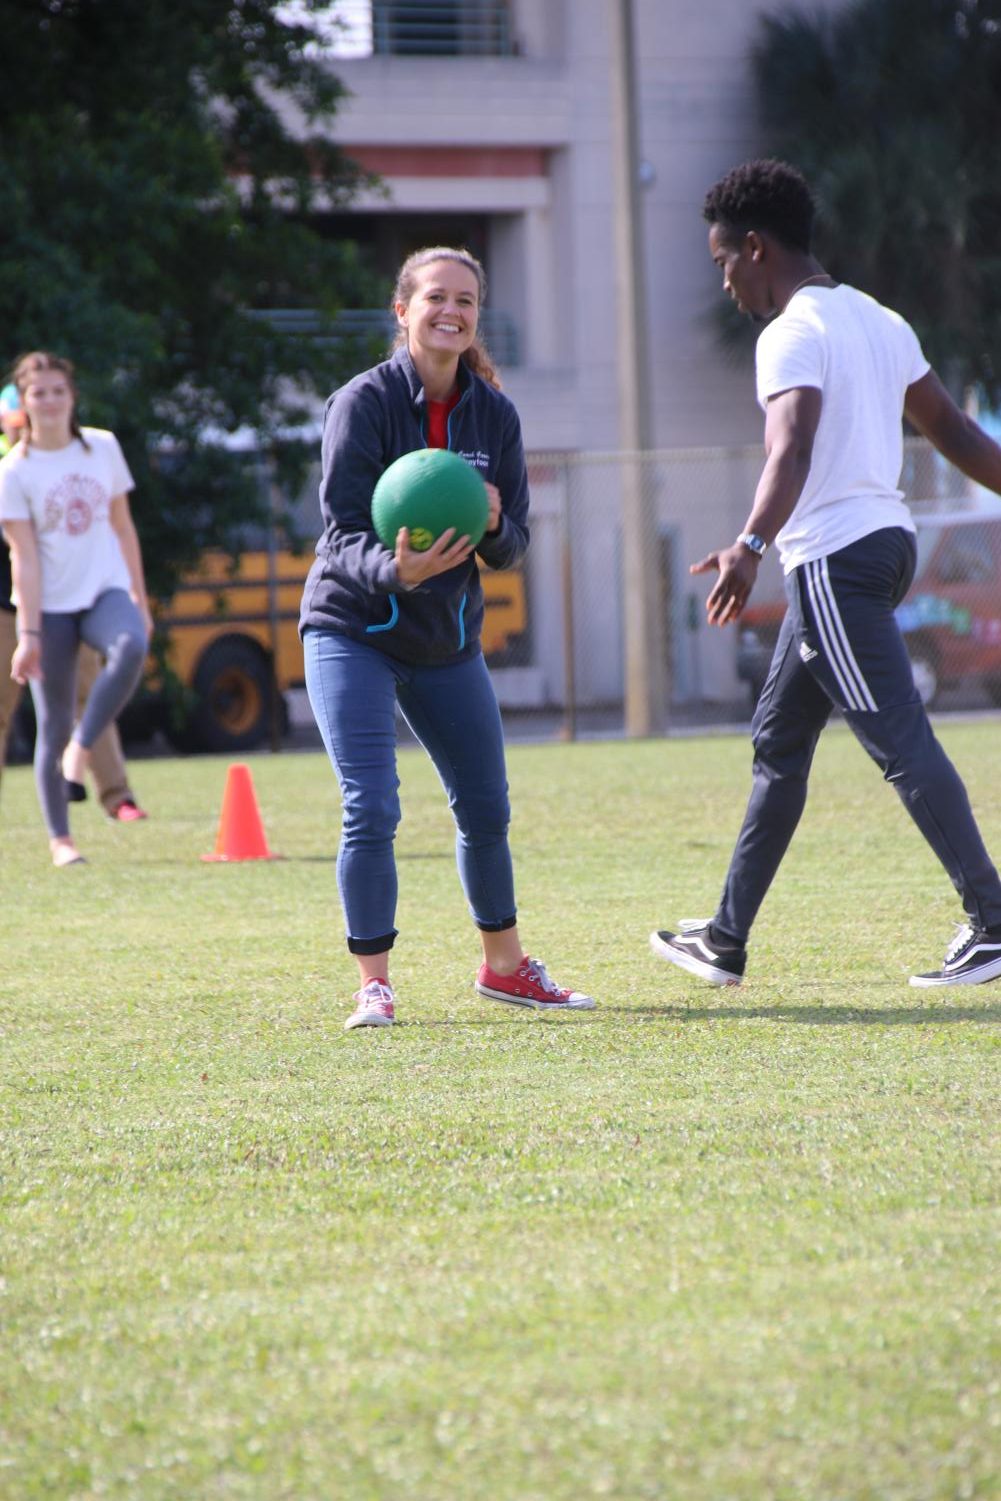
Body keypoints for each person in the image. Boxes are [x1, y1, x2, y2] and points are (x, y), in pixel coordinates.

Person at [651, 159, 1001, 991]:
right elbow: (951, 430)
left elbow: (791, 446)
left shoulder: (789, 333)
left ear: (755, 247)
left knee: (898, 739)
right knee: (777, 744)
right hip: (880, 546)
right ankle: (725, 938)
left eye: (721, 261)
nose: (726, 279)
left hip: (835, 562)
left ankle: (992, 922)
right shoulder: (878, 319)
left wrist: (747, 542)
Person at [300, 245, 594, 1028]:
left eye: (465, 299)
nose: (451, 311)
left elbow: (514, 543)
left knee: (486, 807)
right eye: (435, 297)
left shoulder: (494, 413)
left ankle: (505, 968)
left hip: (446, 638)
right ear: (403, 311)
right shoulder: (361, 403)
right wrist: (396, 570)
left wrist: (495, 522)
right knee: (371, 805)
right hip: (352, 627)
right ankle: (374, 985)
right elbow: (338, 535)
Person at [0, 352, 151, 865]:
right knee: (53, 723)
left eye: (58, 390)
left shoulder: (102, 447)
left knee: (132, 646)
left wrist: (139, 598)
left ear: (72, 395)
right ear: (23, 402)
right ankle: (61, 840)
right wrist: (30, 634)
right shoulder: (14, 472)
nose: (49, 400)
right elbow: (23, 557)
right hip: (51, 607)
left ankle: (82, 752)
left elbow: (125, 527)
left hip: (104, 590)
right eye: (38, 392)